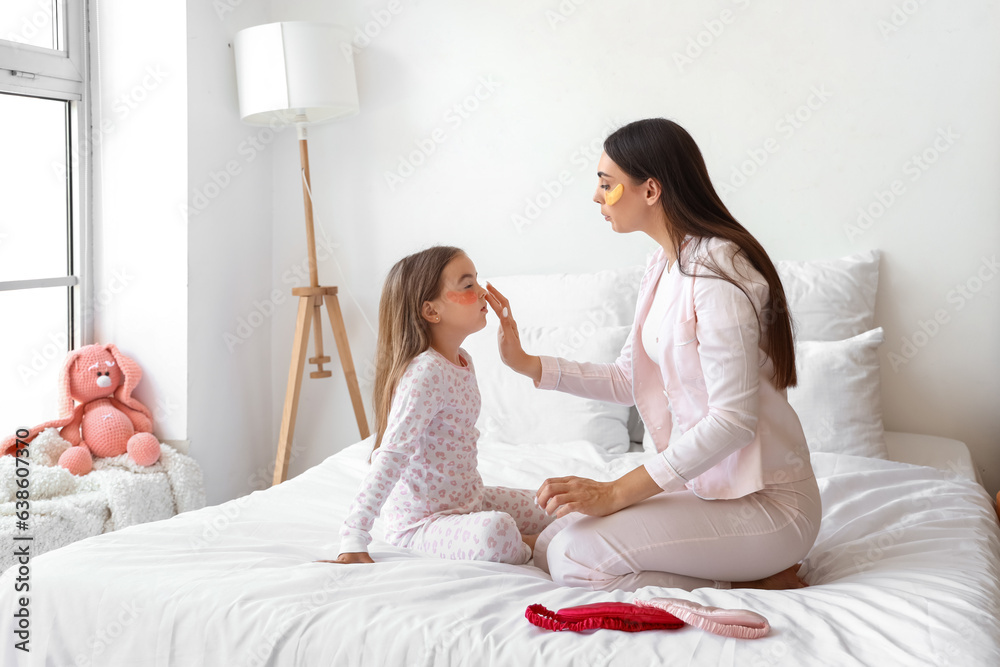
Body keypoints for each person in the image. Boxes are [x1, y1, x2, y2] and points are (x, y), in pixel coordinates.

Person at [482, 118, 822, 592]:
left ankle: (756, 580)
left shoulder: (718, 272)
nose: (597, 197)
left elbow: (733, 421)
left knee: (573, 560)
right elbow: (628, 379)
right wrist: (527, 364)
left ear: (650, 190)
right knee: (553, 540)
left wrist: (616, 491)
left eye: (607, 185)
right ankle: (744, 575)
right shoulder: (663, 265)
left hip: (770, 506)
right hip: (711, 493)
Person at [322, 246, 552, 566]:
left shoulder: (462, 361)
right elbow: (392, 454)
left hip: (470, 501)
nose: (482, 291)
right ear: (431, 312)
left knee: (552, 503)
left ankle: (539, 535)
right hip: (422, 525)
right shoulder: (426, 372)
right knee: (496, 532)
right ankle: (533, 545)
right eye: (468, 285)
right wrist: (353, 537)